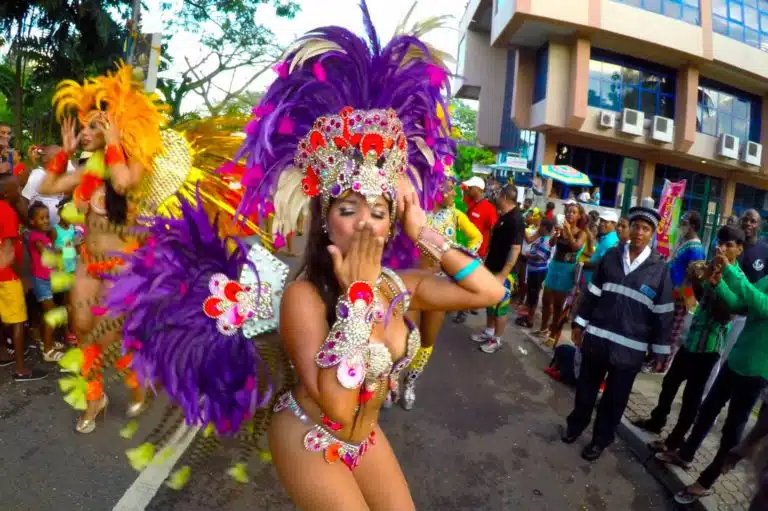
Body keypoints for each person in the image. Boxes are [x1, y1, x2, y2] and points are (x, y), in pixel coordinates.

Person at [244, 12, 505, 507]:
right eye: (348, 209)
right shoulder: (305, 296)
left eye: (380, 211)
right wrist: (359, 298)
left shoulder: (400, 284)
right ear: (325, 220)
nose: (365, 223)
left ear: (392, 223)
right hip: (311, 435)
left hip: (365, 439)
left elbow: (490, 292)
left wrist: (421, 229)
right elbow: (338, 411)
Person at [40, 64, 172, 432]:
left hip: (121, 267)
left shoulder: (133, 165)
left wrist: (114, 140)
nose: (85, 132)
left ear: (114, 128)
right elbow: (49, 187)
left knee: (111, 335)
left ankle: (136, 380)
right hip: (87, 262)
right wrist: (63, 154)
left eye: (94, 125)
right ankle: (95, 397)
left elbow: (123, 182)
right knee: (82, 328)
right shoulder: (87, 171)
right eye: (84, 127)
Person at [657, 235, 768, 504]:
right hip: (737, 361)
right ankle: (685, 454)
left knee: (732, 430)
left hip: (757, 372)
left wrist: (730, 269)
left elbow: (762, 305)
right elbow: (740, 304)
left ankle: (706, 481)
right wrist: (719, 284)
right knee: (706, 411)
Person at [562, 206, 674, 461]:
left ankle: (600, 441)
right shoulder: (611, 257)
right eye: (636, 226)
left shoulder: (659, 269)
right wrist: (579, 324)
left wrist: (659, 351)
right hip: (598, 338)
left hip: (630, 349)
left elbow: (663, 313)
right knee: (586, 391)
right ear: (629, 228)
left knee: (615, 400)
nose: (639, 233)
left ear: (652, 234)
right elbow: (592, 293)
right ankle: (575, 426)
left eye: (645, 229)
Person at [633, 225, 744, 453]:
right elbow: (699, 298)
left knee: (692, 397)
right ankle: (657, 421)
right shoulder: (710, 266)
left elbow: (727, 313)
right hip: (692, 339)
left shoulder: (738, 279)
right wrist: (696, 279)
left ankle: (675, 441)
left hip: (710, 346)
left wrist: (716, 282)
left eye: (728, 245)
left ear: (739, 250)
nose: (721, 249)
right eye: (719, 243)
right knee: (669, 382)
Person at [396, 167, 482, 411]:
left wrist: (461, 255)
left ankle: (410, 382)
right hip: (412, 283)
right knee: (406, 338)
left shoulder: (455, 215)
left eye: (454, 184)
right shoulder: (415, 213)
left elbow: (476, 237)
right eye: (448, 184)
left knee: (427, 339)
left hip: (440, 285)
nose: (453, 191)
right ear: (434, 185)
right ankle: (392, 379)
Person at [704, 209, 768, 395]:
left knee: (723, 359)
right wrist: (717, 284)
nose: (748, 223)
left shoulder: (764, 251)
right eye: (746, 220)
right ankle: (704, 400)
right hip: (726, 308)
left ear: (759, 225)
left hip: (745, 324)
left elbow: (760, 299)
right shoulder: (729, 242)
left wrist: (731, 273)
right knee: (713, 361)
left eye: (753, 221)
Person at [0, 176, 46, 381]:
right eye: (16, 187)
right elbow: (9, 251)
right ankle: (20, 369)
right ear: (6, 193)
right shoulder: (8, 213)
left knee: (3, 318)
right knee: (19, 321)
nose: (20, 190)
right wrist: (22, 277)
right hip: (8, 275)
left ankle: (3, 353)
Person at [470, 184, 524, 354]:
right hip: (492, 266)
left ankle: (497, 339)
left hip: (503, 272)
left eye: (498, 195)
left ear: (505, 197)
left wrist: (503, 274)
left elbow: (515, 249)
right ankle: (489, 331)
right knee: (490, 302)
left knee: (500, 306)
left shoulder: (516, 219)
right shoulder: (504, 216)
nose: (496, 197)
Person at [537, 202, 587, 346]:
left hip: (567, 269)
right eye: (569, 212)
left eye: (573, 212)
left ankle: (553, 333)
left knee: (559, 304)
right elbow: (552, 244)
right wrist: (556, 234)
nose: (570, 214)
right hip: (554, 266)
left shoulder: (581, 233)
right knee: (546, 300)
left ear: (578, 216)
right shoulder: (560, 228)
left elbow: (575, 247)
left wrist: (569, 232)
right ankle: (543, 328)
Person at [26, 201, 65, 363]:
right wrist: (63, 250)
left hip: (47, 279)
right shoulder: (35, 236)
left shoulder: (43, 236)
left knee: (50, 312)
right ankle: (48, 350)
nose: (46, 221)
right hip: (41, 281)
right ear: (32, 222)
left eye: (47, 217)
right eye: (41, 218)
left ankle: (45, 340)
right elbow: (44, 251)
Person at [515, 218, 554, 328]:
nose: (538, 228)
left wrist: (528, 255)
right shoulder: (541, 238)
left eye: (540, 226)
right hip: (534, 270)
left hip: (538, 271)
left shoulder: (546, 241)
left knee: (534, 295)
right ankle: (527, 316)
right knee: (531, 294)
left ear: (545, 228)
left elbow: (539, 257)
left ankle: (530, 320)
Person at [21, 145, 73, 225]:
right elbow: (24, 201)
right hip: (41, 231)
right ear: (45, 159)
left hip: (57, 230)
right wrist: (29, 225)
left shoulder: (58, 175)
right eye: (59, 157)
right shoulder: (38, 175)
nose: (63, 159)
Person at [462, 176, 497, 258]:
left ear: (478, 189)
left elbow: (494, 231)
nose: (468, 188)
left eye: (471, 187)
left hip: (478, 253)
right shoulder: (467, 202)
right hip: (464, 248)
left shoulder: (489, 208)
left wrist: (488, 251)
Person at [582, 211, 620, 284]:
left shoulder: (609, 240)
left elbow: (599, 263)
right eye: (601, 221)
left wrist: (581, 264)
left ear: (614, 224)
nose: (602, 224)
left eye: (606, 222)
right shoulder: (610, 237)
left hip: (592, 279)